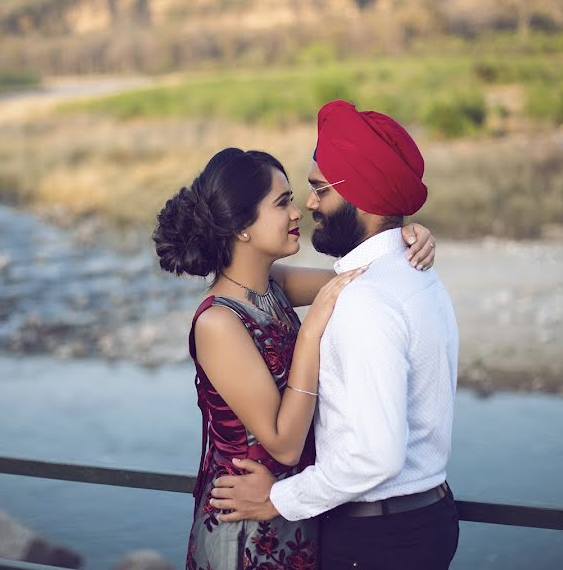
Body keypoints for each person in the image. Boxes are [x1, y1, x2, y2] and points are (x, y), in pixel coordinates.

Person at [152, 146, 438, 570]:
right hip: (248, 527)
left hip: (296, 506)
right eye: (282, 202)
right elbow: (284, 444)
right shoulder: (217, 323)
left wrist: (406, 238)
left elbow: (362, 280)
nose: (297, 212)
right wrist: (312, 332)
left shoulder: (275, 285)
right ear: (242, 226)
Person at [208, 101, 461, 570]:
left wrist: (281, 499)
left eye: (318, 190)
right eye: (288, 198)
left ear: (361, 196)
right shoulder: (414, 276)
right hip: (419, 519)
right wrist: (402, 234)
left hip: (376, 536)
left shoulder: (367, 299)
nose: (308, 205)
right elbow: (296, 282)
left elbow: (377, 458)